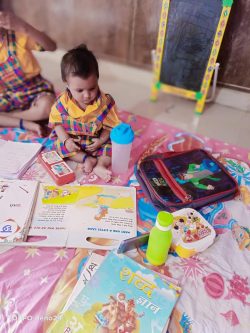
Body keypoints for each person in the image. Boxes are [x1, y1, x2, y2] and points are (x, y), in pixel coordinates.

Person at [49, 44, 120, 182]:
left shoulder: (105, 103)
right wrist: (67, 140)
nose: (87, 95)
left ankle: (100, 165)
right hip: (74, 140)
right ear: (67, 84)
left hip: (96, 140)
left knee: (113, 145)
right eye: (80, 90)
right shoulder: (61, 104)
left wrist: (100, 141)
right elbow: (57, 124)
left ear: (97, 78)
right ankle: (86, 159)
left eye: (92, 88)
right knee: (58, 146)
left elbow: (109, 127)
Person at [0, 11, 56, 136]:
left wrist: (23, 26)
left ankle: (8, 118)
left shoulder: (17, 35)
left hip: (34, 88)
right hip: (8, 95)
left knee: (47, 107)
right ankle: (27, 122)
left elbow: (52, 46)